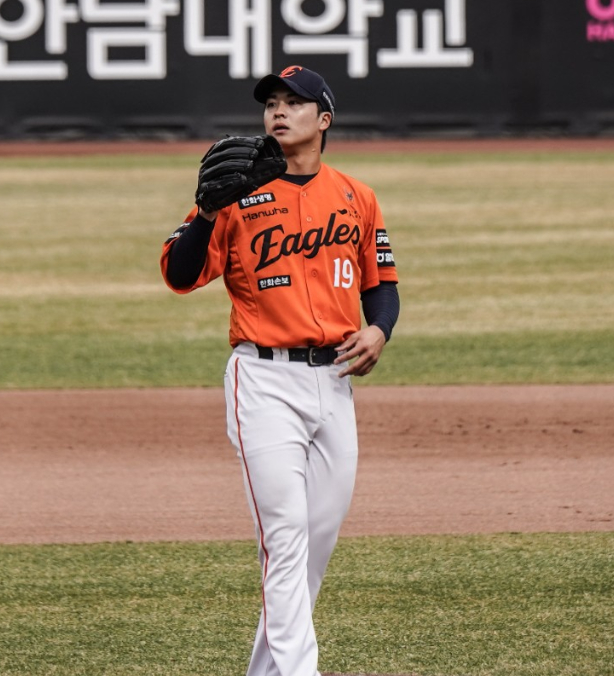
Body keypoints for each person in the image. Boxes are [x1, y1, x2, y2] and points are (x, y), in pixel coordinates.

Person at [159, 65, 400, 676]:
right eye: (271, 102)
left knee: (314, 543)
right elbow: (180, 275)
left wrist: (379, 330)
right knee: (286, 536)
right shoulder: (235, 195)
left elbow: (381, 285)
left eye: (294, 102)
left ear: (325, 119)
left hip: (336, 382)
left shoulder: (357, 196)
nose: (278, 111)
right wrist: (207, 214)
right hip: (263, 381)